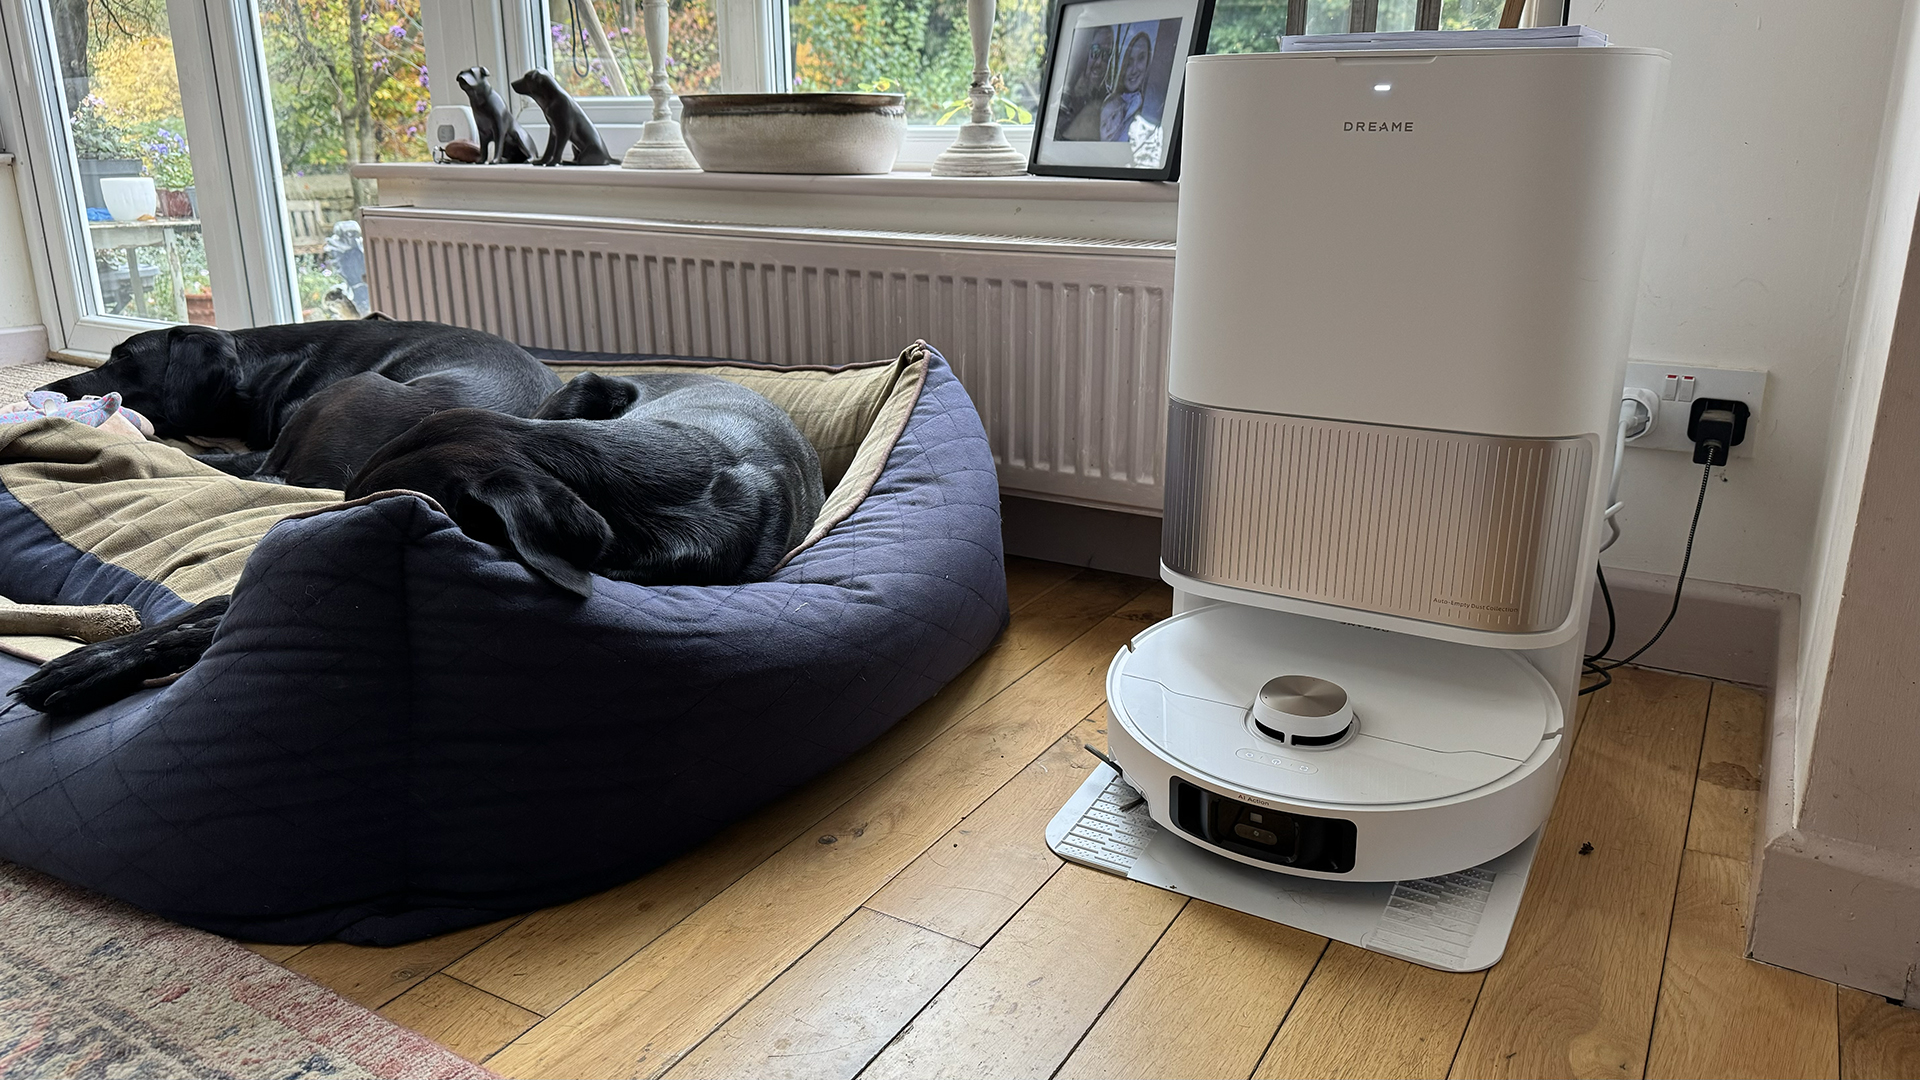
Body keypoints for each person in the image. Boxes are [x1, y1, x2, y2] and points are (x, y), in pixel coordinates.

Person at [1055, 25, 1115, 141]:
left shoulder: (1110, 100)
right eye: (1096, 52)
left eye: (1106, 54)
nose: (1099, 62)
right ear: (1084, 52)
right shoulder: (1064, 98)